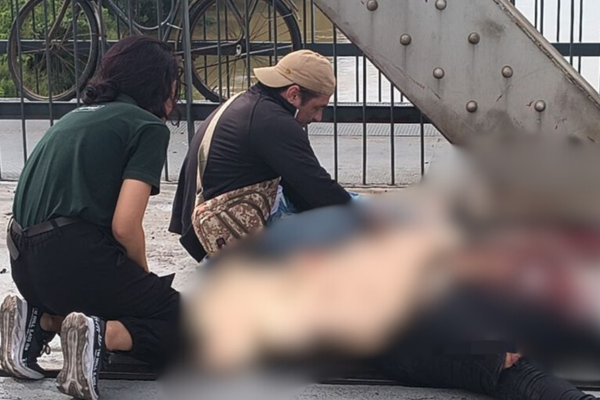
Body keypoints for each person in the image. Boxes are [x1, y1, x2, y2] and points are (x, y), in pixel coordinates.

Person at [0, 36, 181, 400]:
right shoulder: (147, 127)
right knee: (187, 323)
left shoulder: (74, 117)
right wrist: (144, 284)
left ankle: (38, 321)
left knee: (111, 295)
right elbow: (125, 226)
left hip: (25, 264)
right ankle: (102, 335)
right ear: (159, 85)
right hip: (73, 258)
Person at [170, 50, 352, 262]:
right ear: (293, 94)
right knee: (362, 210)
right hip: (219, 233)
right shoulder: (273, 122)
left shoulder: (249, 103)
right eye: (317, 108)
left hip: (204, 223)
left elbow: (301, 186)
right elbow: (317, 188)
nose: (319, 117)